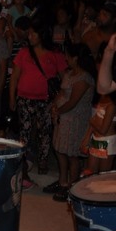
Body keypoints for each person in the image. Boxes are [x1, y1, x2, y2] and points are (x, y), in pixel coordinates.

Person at [8, 18, 66, 183]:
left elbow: (64, 79)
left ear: (42, 35)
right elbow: (14, 77)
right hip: (25, 99)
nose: (30, 35)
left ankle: (42, 160)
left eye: (33, 33)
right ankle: (24, 163)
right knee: (24, 132)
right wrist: (12, 97)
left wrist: (59, 100)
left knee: (45, 132)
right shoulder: (24, 52)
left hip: (46, 100)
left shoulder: (55, 54)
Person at [47, 43, 95, 201]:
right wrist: (54, 106)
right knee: (60, 150)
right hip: (64, 119)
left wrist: (58, 110)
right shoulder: (69, 74)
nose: (65, 58)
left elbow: (73, 101)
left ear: (76, 58)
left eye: (68, 56)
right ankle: (62, 182)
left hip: (76, 120)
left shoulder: (85, 78)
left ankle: (72, 186)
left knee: (73, 154)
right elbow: (61, 93)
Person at [80, 91, 116, 176]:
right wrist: (86, 138)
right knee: (90, 172)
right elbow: (95, 118)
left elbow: (103, 130)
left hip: (107, 142)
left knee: (103, 175)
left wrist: (91, 121)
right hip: (96, 139)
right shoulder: (103, 98)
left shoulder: (112, 106)